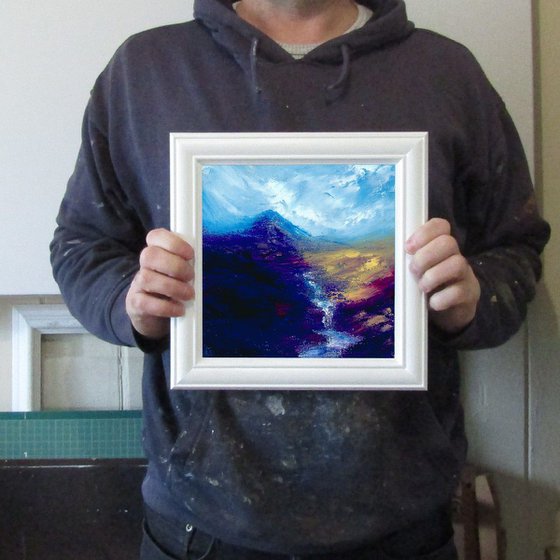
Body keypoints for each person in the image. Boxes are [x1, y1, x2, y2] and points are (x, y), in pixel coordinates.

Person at [50, 0, 550, 558]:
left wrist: (473, 300)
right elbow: (82, 246)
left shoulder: (446, 71)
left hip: (403, 529)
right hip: (202, 528)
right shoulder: (146, 71)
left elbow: (516, 246)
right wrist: (131, 305)